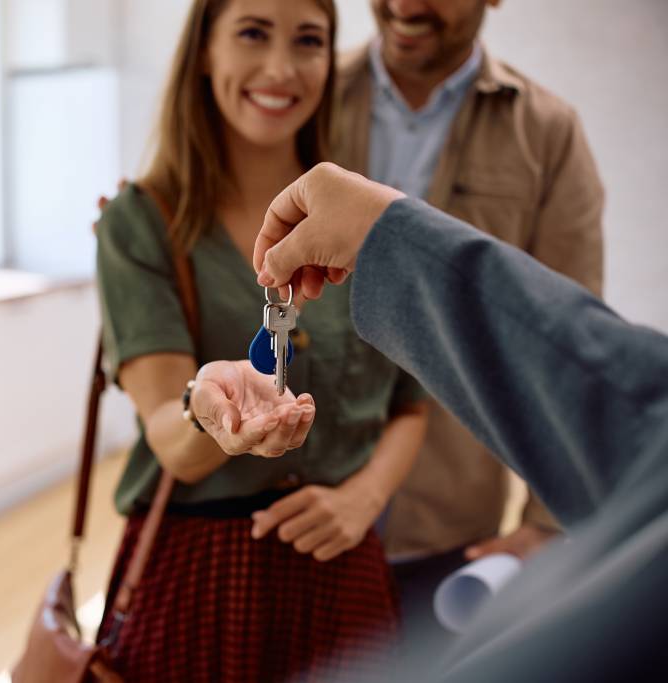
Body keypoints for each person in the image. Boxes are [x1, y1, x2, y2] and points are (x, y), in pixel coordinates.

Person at [188, 161, 668, 682]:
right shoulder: (157, 215)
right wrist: (198, 402)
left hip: (435, 532)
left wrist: (542, 527)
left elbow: (617, 396)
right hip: (238, 564)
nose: (282, 75)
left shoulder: (543, 132)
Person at [92, 1, 429, 680]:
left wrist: (366, 497)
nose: (281, 68)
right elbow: (170, 440)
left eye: (308, 41)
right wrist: (206, 409)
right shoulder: (140, 222)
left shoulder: (371, 219)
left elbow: (411, 403)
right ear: (206, 53)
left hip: (345, 567)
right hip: (201, 580)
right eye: (252, 32)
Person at [329, 0, 606, 649]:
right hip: (303, 504)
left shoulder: (546, 131)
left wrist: (545, 520)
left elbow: (569, 335)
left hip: (449, 526)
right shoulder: (305, 94)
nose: (404, 5)